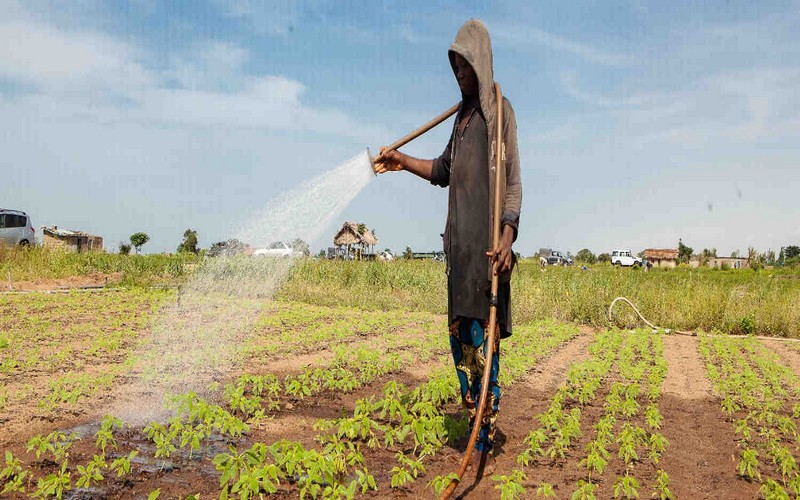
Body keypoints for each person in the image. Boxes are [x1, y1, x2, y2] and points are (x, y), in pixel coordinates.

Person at [374, 19, 522, 473]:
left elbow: (513, 185)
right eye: (454, 66)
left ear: (481, 63)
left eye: (465, 66)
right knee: (462, 349)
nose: (459, 74)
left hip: (487, 256)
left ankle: (484, 433)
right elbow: (443, 170)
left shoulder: (500, 113)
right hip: (458, 256)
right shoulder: (461, 119)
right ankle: (474, 421)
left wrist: (507, 237)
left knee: (485, 347)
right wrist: (401, 161)